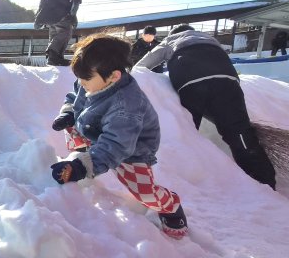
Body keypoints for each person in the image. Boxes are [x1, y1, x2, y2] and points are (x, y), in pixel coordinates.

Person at [49, 34, 188, 239]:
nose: (80, 82)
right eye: (79, 77)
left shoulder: (127, 106)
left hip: (130, 150)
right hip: (96, 131)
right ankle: (87, 157)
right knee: (73, 130)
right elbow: (74, 96)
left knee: (144, 192)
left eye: (85, 79)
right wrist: (68, 113)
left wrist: (82, 166)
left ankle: (170, 206)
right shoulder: (92, 79)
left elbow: (116, 145)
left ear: (113, 76)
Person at [136, 24, 276, 189]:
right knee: (239, 132)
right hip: (226, 81)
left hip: (190, 83)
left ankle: (186, 180)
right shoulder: (210, 39)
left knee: (186, 131)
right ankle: (263, 179)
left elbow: (144, 64)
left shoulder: (170, 40)